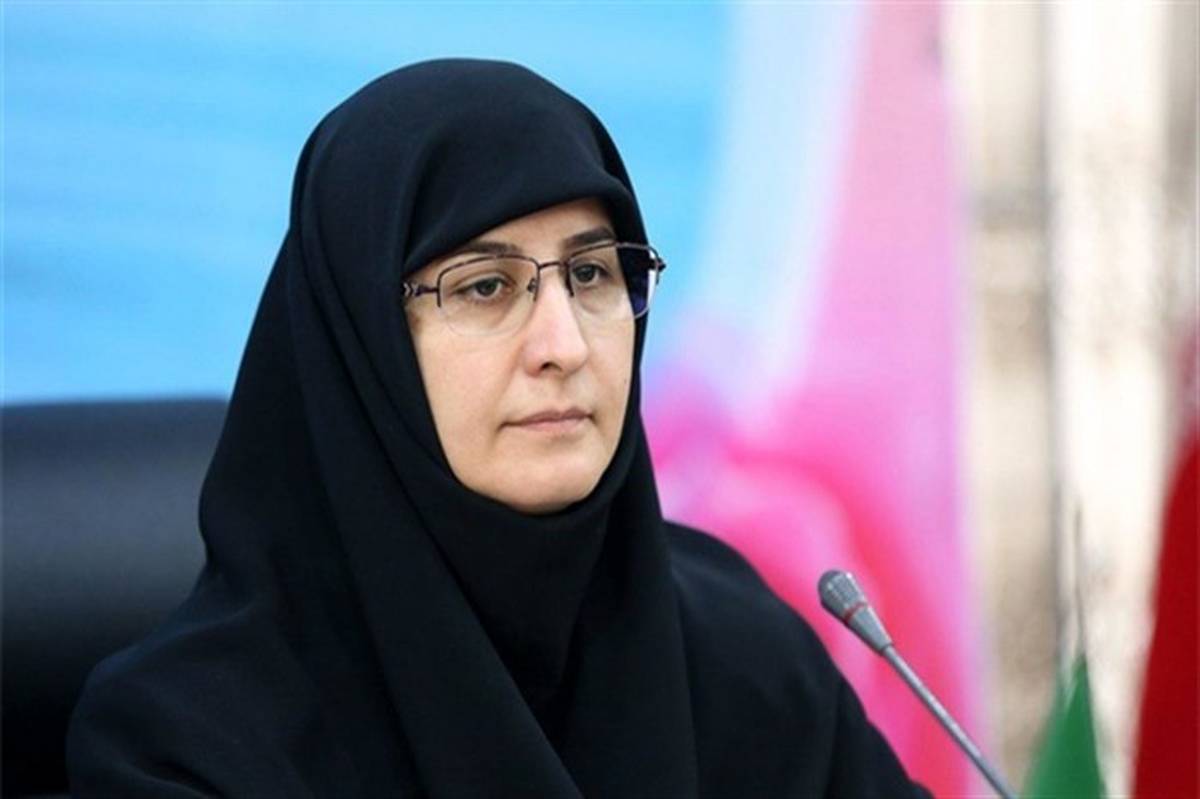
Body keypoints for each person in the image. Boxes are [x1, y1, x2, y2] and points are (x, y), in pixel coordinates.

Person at [67, 59, 931, 798]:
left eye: (592, 274)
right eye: (486, 286)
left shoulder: (744, 654)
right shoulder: (187, 746)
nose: (564, 345)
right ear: (363, 342)